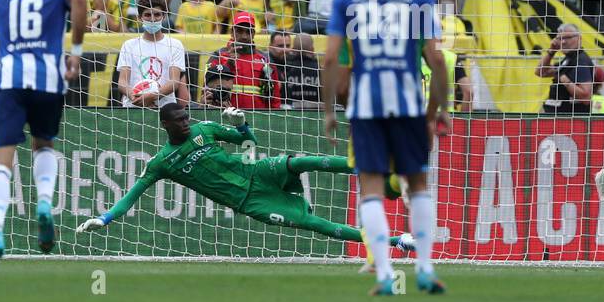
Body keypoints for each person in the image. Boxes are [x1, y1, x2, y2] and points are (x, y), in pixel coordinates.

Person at [77, 102, 416, 251]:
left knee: (301, 160)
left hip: (254, 169)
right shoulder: (162, 162)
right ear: (165, 125)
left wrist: (241, 125)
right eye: (179, 120)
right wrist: (105, 219)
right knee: (317, 225)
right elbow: (132, 194)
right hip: (248, 200)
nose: (186, 122)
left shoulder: (205, 128)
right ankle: (397, 241)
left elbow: (249, 144)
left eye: (186, 116)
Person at [322, 0, 450, 296]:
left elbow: (331, 59)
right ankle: (425, 269)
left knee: (371, 188)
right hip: (408, 100)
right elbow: (436, 59)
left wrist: (329, 110)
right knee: (419, 183)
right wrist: (437, 108)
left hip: (365, 103)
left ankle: (384, 277)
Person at [0, 0, 88, 267]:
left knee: (1, 158)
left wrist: (12, 50)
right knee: (43, 145)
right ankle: (43, 202)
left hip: (9, 80)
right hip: (48, 80)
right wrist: (76, 56)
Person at [115, 0, 187, 108]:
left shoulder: (175, 45)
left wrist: (154, 96)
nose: (152, 19)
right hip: (133, 107)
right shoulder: (128, 45)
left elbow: (174, 81)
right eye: (147, 15)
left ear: (164, 16)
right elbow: (122, 82)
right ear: (139, 18)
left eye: (157, 15)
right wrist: (136, 98)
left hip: (164, 109)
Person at [535, 23, 595, 113]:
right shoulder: (569, 59)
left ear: (579, 38)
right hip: (556, 116)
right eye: (560, 38)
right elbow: (540, 72)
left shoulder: (581, 61)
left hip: (569, 120)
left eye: (568, 38)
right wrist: (551, 52)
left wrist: (566, 82)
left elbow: (586, 98)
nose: (563, 42)